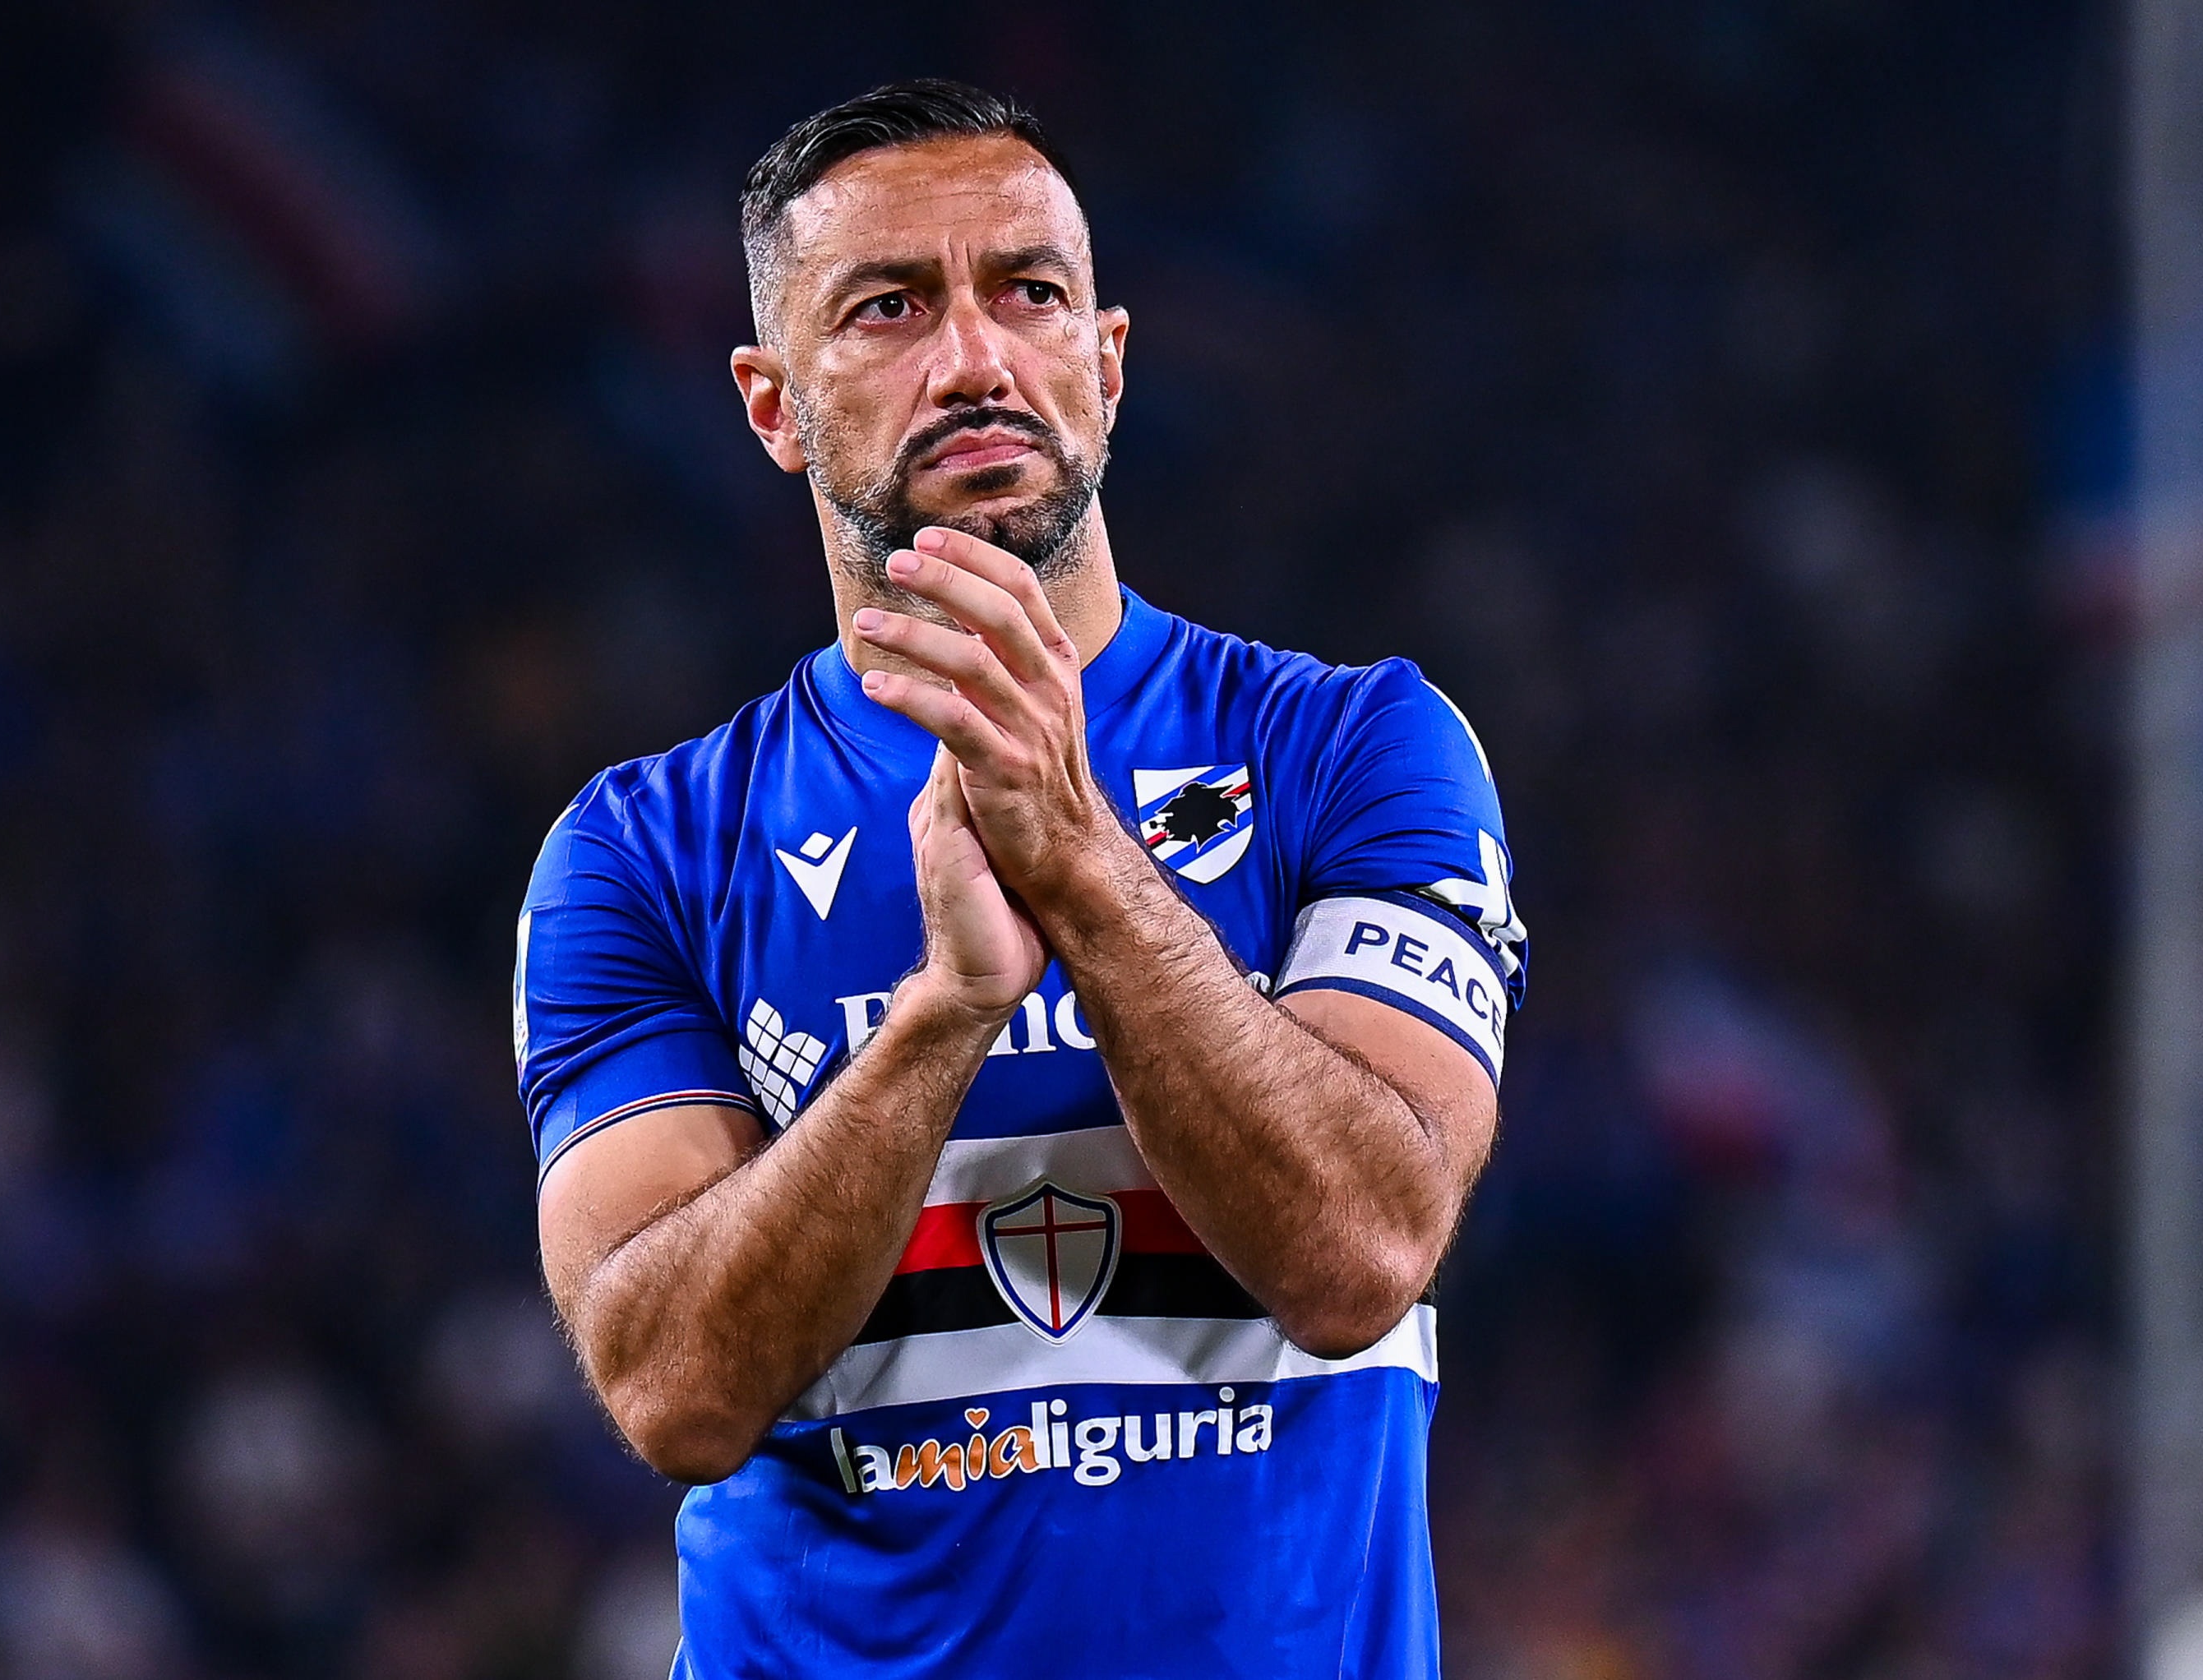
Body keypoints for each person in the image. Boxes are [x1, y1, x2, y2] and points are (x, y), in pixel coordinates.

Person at [515, 79, 1526, 1678]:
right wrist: (941, 1019)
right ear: (772, 405)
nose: (975, 359)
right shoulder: (644, 850)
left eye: (1029, 292)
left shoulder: (1357, 749)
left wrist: (1082, 865)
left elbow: (1361, 1254)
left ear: (1106, 364)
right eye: (890, 308)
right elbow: (673, 1392)